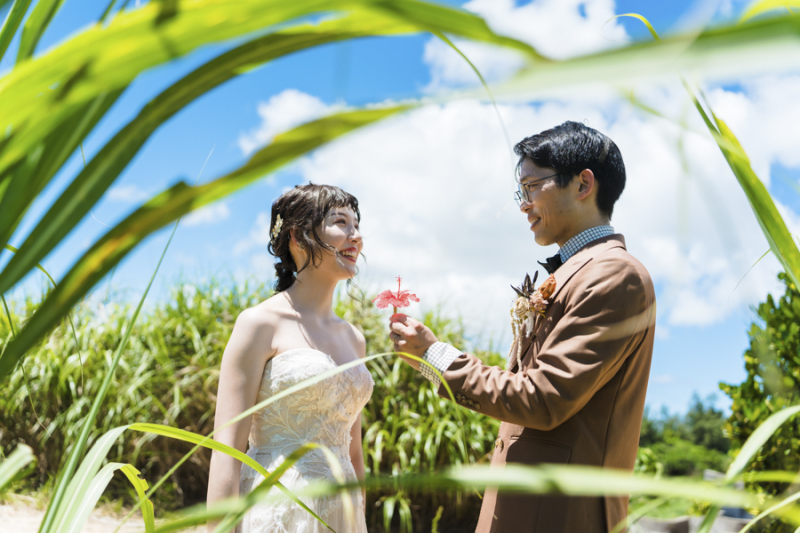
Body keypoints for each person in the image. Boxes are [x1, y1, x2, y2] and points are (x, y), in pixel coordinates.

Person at [389, 122, 656, 533]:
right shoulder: (579, 270)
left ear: (584, 184)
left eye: (532, 187)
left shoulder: (614, 274)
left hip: (560, 517)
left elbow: (542, 399)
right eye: (521, 191)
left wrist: (434, 356)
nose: (523, 203)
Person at [206, 184, 373, 533]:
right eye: (341, 222)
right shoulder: (259, 324)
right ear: (298, 237)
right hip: (278, 510)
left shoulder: (354, 339)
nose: (355, 236)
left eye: (356, 225)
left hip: (342, 515)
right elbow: (226, 453)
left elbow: (354, 454)